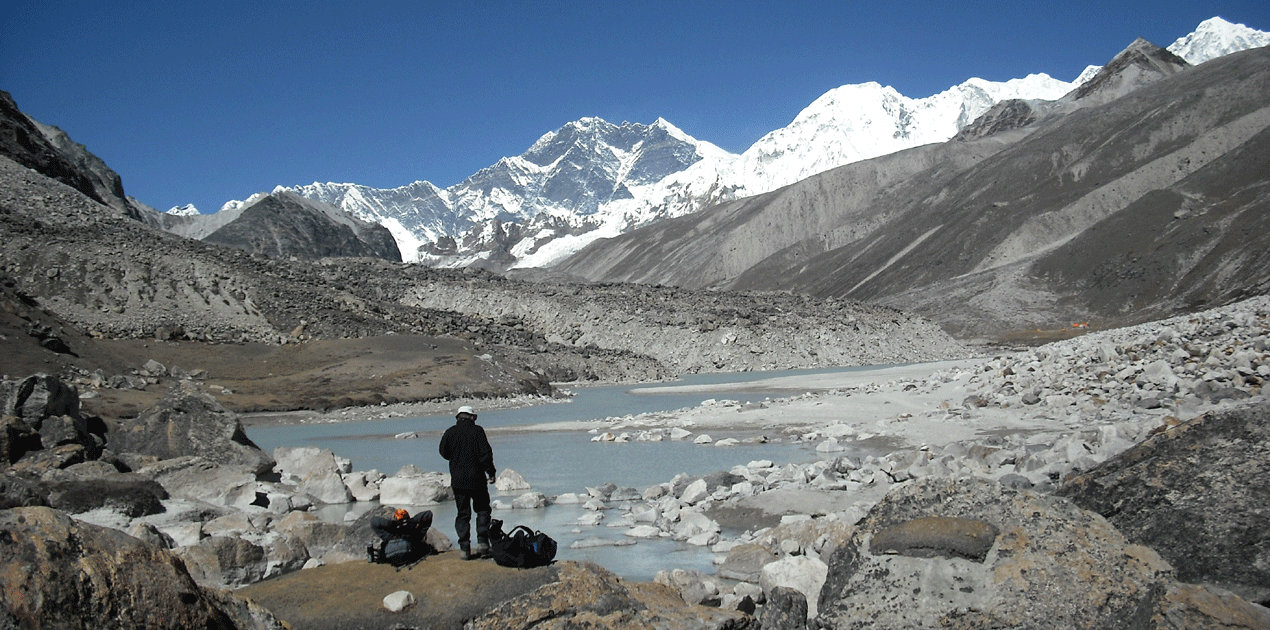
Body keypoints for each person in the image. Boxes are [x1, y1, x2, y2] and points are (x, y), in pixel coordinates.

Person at [439, 405, 496, 560]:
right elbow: (486, 454)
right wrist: (491, 472)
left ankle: (464, 548)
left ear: (458, 417)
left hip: (458, 481)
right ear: (472, 417)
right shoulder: (478, 431)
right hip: (477, 479)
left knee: (463, 514)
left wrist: (456, 458)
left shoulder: (450, 432)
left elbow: (443, 452)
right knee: (483, 510)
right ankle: (483, 544)